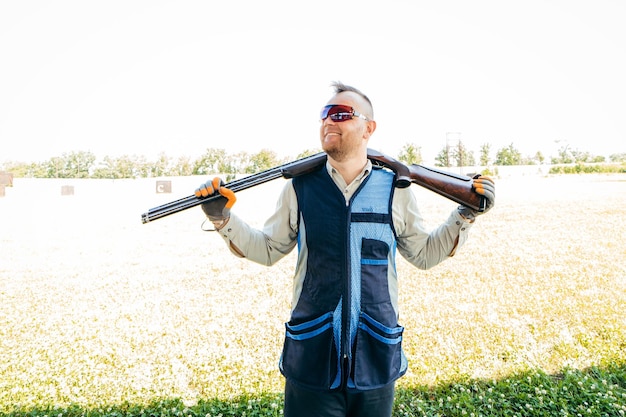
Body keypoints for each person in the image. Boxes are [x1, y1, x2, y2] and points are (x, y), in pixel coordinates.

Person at [194, 82, 495, 417]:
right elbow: (267, 249)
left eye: (340, 114)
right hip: (312, 359)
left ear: (369, 128)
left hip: (376, 357)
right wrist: (221, 218)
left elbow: (424, 254)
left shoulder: (395, 188)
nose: (328, 121)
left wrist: (466, 213)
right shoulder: (300, 187)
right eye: (324, 114)